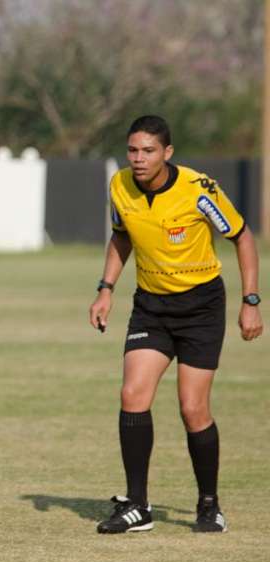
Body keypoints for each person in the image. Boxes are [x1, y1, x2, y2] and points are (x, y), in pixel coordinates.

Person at [89, 115, 263, 534]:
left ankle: (209, 503)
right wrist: (106, 288)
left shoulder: (198, 191)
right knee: (132, 393)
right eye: (132, 150)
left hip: (201, 307)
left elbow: (241, 236)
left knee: (192, 408)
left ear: (167, 153)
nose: (138, 159)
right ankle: (138, 505)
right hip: (151, 306)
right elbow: (121, 236)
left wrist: (251, 301)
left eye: (148, 151)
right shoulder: (120, 186)